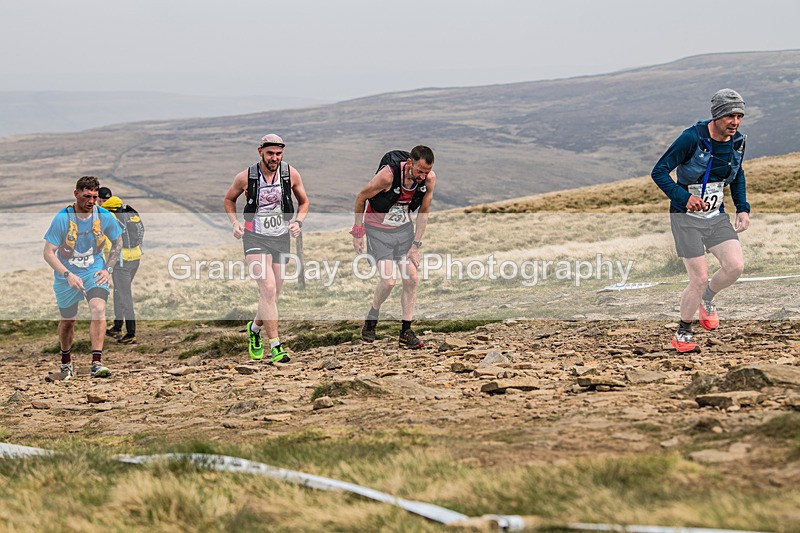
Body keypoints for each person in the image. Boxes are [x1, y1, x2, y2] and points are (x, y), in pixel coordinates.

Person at [651, 89, 750, 353]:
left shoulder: (737, 141)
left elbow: (738, 174)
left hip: (716, 215)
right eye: (730, 115)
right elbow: (659, 171)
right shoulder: (691, 138)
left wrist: (742, 208)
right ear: (717, 115)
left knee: (735, 266)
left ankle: (707, 298)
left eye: (739, 115)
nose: (735, 121)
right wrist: (683, 197)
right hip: (686, 218)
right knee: (698, 278)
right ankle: (683, 332)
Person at [224, 134, 309, 363]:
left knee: (273, 294)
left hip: (280, 237)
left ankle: (254, 328)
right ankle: (276, 346)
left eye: (279, 154)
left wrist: (298, 222)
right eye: (270, 153)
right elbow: (229, 200)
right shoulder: (246, 177)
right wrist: (235, 223)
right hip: (254, 237)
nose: (274, 158)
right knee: (268, 289)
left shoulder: (290, 174)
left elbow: (304, 202)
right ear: (260, 151)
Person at [351, 146, 436, 349]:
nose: (423, 176)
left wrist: (415, 245)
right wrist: (358, 231)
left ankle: (406, 331)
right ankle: (372, 317)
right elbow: (361, 197)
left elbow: (424, 212)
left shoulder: (429, 179)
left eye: (426, 172)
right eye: (419, 171)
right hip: (378, 231)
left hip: (403, 231)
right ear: (409, 164)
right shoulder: (387, 177)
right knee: (389, 281)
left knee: (412, 278)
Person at [43, 176, 123, 379]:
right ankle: (66, 362)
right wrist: (67, 274)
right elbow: (48, 252)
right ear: (76, 194)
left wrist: (107, 269)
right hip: (66, 275)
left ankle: (97, 363)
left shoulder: (104, 216)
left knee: (98, 309)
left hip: (94, 271)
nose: (91, 201)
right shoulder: (63, 218)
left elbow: (118, 242)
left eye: (95, 197)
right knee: (68, 320)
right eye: (87, 196)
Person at [98, 190, 143, 345]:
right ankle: (118, 326)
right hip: (135, 258)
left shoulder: (107, 216)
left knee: (125, 297)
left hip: (121, 262)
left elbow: (109, 244)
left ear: (100, 200)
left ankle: (131, 333)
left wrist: (107, 267)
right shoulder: (127, 210)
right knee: (119, 292)